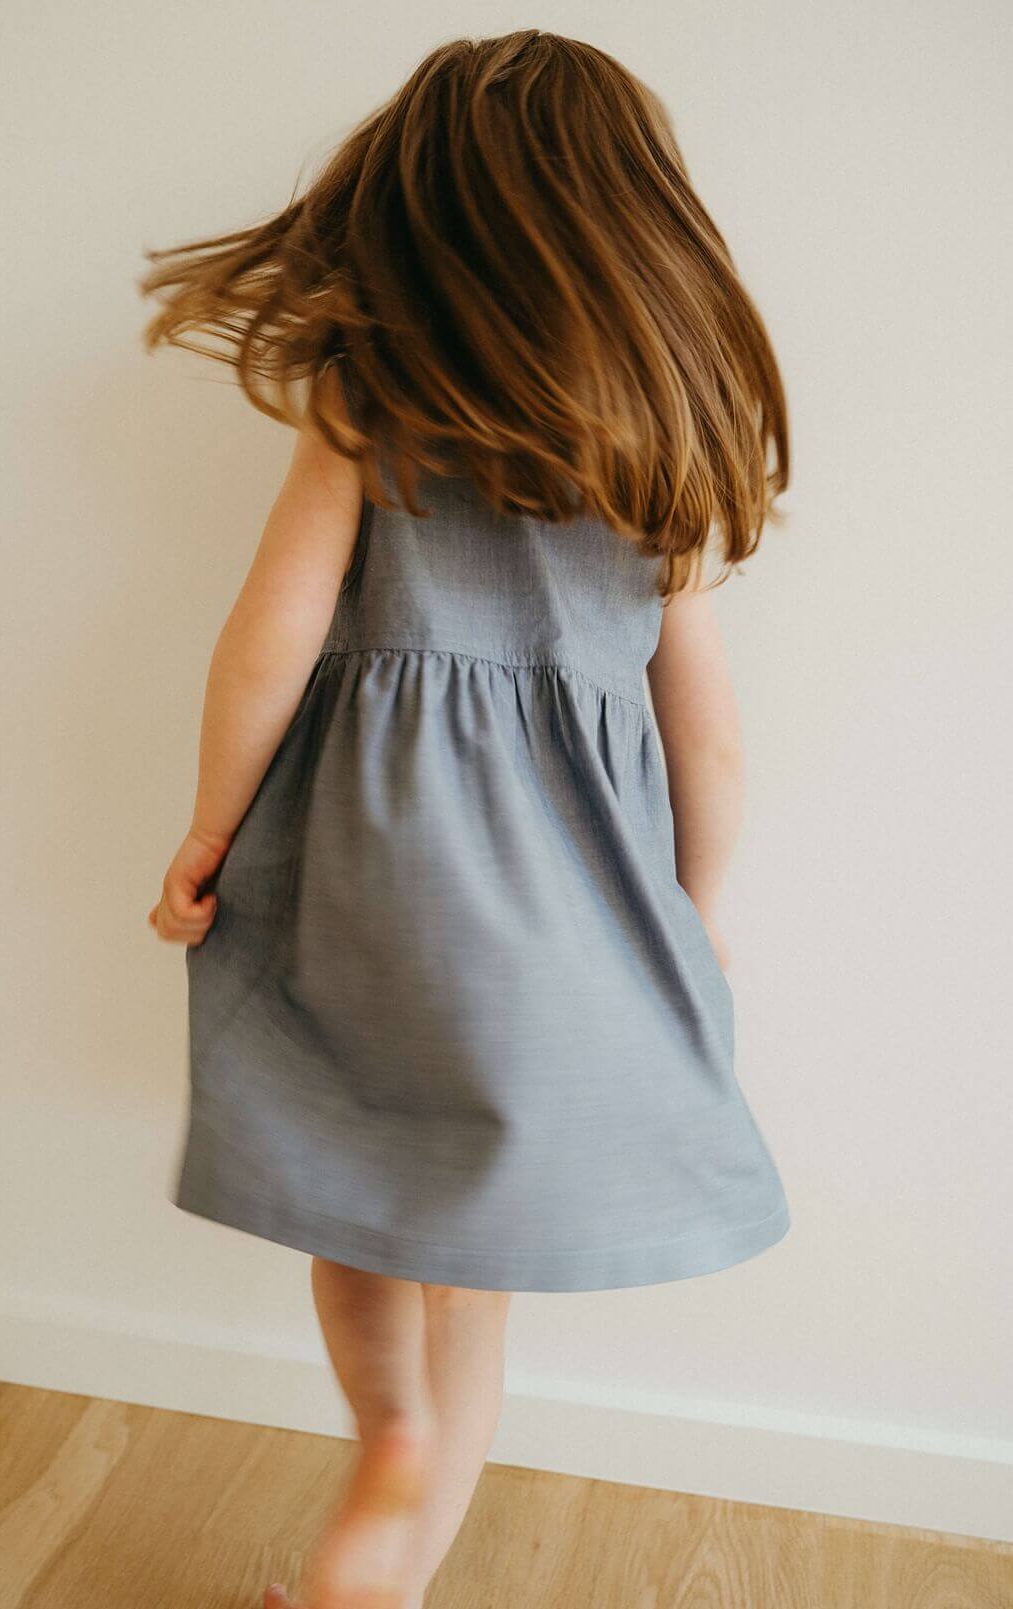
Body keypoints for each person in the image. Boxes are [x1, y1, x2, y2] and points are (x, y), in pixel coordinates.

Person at [140, 28, 791, 1609]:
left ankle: (384, 1448)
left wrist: (207, 832)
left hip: (366, 872)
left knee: (360, 1173)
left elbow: (266, 643)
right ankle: (397, 1551)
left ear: (421, 211)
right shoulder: (666, 435)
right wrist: (700, 914)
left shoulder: (371, 393)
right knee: (476, 1268)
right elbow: (705, 725)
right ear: (642, 222)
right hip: (577, 912)